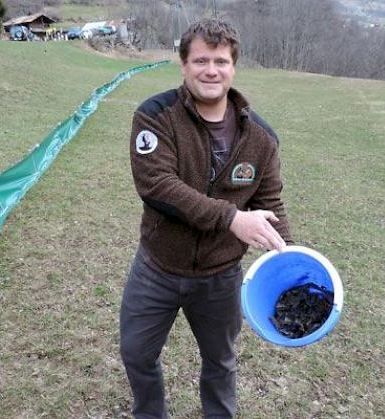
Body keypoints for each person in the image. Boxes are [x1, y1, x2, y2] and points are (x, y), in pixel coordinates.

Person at [120, 18, 294, 419]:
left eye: (220, 61)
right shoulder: (155, 116)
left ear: (234, 67)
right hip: (157, 268)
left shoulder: (261, 138)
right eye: (200, 60)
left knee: (221, 364)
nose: (210, 70)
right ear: (183, 65)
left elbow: (271, 202)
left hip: (221, 277)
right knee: (137, 354)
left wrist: (291, 259)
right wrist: (232, 218)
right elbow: (158, 186)